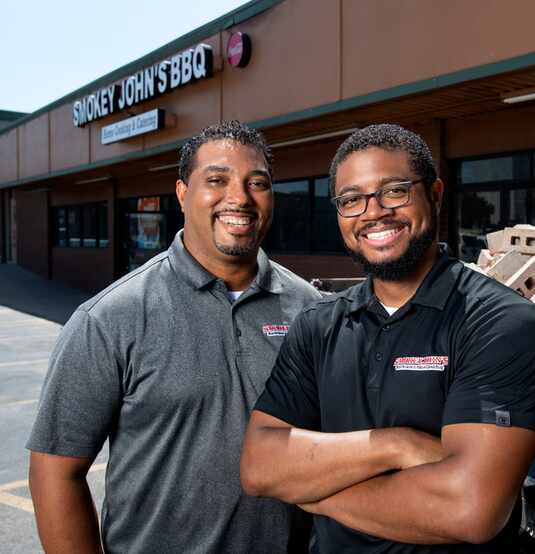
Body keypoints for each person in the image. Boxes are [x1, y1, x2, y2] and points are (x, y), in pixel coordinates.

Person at [241, 124, 535, 552]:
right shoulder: (318, 325)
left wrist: (310, 491)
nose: (373, 212)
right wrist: (395, 445)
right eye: (351, 200)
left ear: (435, 194)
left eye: (395, 191)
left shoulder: (496, 321)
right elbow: (259, 465)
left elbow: (470, 508)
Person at [27, 120, 321, 553]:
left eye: (256, 182)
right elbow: (55, 472)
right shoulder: (110, 318)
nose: (239, 197)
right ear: (182, 193)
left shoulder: (310, 309)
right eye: (216, 180)